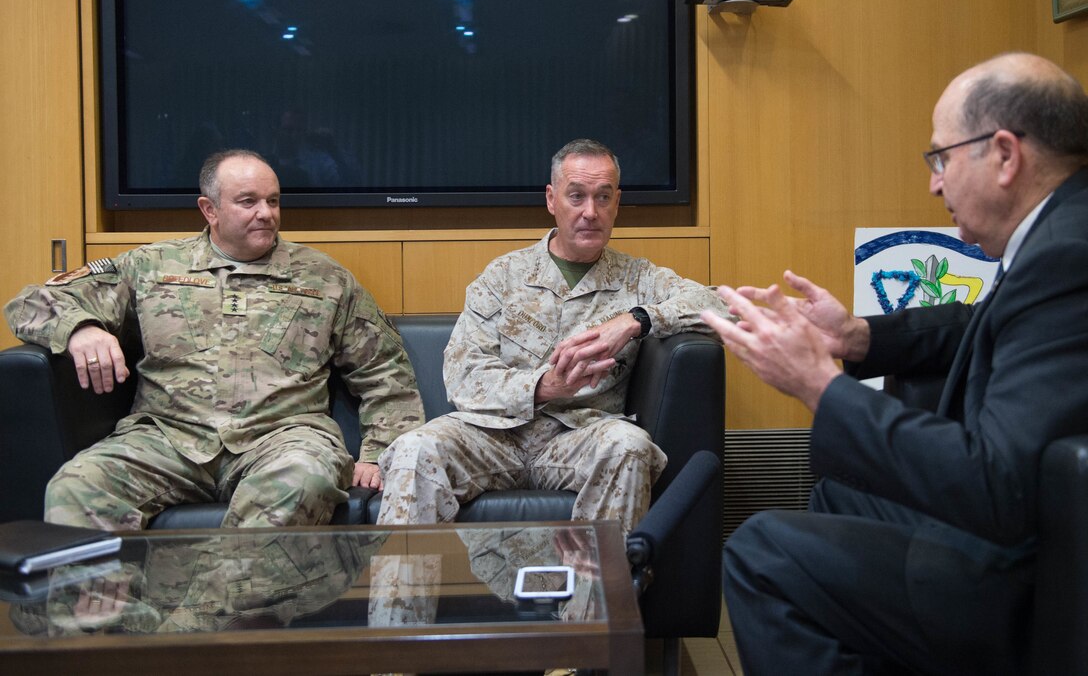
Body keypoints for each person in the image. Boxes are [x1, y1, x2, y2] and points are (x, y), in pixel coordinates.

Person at [701, 52, 1088, 675]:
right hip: (1039, 529)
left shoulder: (1068, 255)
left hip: (1030, 570)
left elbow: (999, 489)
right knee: (840, 493)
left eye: (942, 157)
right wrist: (856, 338)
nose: (934, 182)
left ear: (1005, 155)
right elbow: (984, 326)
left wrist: (819, 385)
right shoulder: (1063, 231)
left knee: (759, 553)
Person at [4, 149, 424, 530]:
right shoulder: (152, 266)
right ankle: (101, 614)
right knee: (76, 486)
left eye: (273, 201)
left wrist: (378, 450)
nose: (266, 214)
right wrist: (80, 328)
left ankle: (213, 615)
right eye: (248, 201)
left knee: (302, 482)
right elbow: (29, 303)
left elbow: (385, 369)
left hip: (283, 439)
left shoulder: (325, 278)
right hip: (168, 437)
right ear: (210, 209)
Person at [377, 138, 726, 536]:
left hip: (579, 436)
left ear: (617, 203)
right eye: (576, 196)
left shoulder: (639, 279)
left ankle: (595, 598)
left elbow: (725, 308)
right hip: (492, 433)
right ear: (551, 199)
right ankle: (402, 599)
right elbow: (463, 375)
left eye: (603, 197)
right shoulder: (504, 276)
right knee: (413, 449)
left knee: (629, 447)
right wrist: (543, 386)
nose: (590, 212)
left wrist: (637, 319)